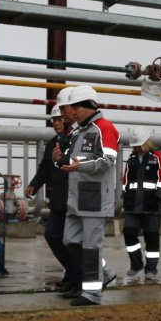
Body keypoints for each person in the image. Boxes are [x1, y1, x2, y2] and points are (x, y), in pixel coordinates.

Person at [60, 85, 120, 306]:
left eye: (75, 108)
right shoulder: (78, 132)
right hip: (76, 197)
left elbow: (108, 161)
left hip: (95, 198)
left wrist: (80, 166)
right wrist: (60, 159)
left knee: (91, 247)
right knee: (70, 241)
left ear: (87, 106)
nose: (72, 112)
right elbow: (72, 161)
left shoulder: (104, 128)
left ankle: (92, 294)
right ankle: (106, 272)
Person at [24, 89, 77, 293]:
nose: (55, 123)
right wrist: (34, 184)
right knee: (53, 236)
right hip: (58, 200)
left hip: (73, 199)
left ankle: (75, 277)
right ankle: (72, 272)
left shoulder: (75, 140)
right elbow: (44, 169)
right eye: (53, 120)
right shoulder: (51, 144)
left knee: (73, 241)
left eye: (58, 119)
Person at [120, 126, 161, 280]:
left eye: (138, 145)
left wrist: (158, 196)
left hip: (151, 204)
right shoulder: (131, 160)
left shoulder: (158, 157)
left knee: (151, 237)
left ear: (146, 143)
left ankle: (151, 269)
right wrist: (125, 196)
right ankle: (136, 263)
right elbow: (125, 180)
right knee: (129, 232)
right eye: (135, 146)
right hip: (132, 205)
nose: (136, 148)